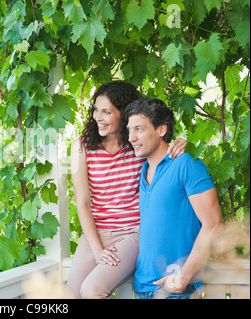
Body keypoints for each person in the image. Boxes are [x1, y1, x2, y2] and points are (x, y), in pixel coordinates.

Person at [66, 81, 187, 299]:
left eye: (106, 112)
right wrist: (98, 251)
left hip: (132, 234)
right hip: (96, 233)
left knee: (91, 291)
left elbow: (162, 149)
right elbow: (82, 203)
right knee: (70, 296)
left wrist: (178, 143)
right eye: (96, 110)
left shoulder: (136, 144)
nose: (97, 117)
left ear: (124, 115)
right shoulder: (80, 146)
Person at [123, 97, 222, 299]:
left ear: (161, 130)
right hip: (142, 287)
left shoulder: (186, 163)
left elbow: (213, 224)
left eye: (139, 129)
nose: (131, 137)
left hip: (177, 289)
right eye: (129, 130)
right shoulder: (142, 171)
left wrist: (184, 276)